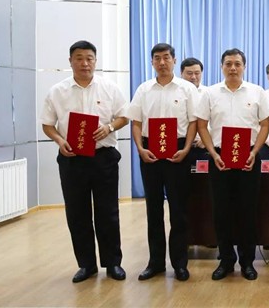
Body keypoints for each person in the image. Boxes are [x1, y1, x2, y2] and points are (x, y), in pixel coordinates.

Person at [41, 40, 129, 283]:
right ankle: (86, 265)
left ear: (95, 61)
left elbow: (124, 116)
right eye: (79, 58)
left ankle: (113, 263)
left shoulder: (109, 87)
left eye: (89, 58)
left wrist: (109, 127)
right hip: (72, 159)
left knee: (108, 212)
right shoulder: (57, 91)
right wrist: (59, 140)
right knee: (77, 213)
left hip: (104, 158)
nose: (84, 63)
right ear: (70, 61)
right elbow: (47, 124)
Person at [195, 48, 269, 280]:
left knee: (248, 211)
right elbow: (201, 125)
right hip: (219, 158)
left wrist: (255, 151)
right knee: (221, 212)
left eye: (237, 63)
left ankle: (247, 262)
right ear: (221, 67)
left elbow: (265, 124)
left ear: (244, 66)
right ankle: (226, 261)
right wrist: (212, 153)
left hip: (249, 157)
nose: (233, 68)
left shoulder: (257, 92)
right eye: (228, 64)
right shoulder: (210, 93)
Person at [128, 43, 198, 282]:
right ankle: (155, 263)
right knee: (153, 210)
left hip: (178, 152)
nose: (162, 62)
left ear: (174, 60)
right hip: (150, 152)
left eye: (166, 57)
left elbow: (193, 122)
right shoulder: (144, 89)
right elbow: (136, 122)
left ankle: (180, 264)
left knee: (179, 210)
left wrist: (186, 148)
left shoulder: (187, 89)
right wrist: (140, 148)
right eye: (157, 58)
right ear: (152, 62)